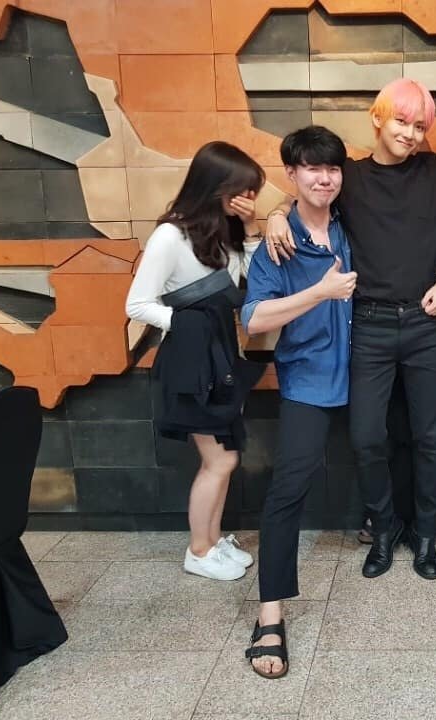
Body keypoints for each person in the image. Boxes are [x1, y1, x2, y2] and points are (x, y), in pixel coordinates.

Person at [265, 79, 436, 581]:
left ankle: (426, 535)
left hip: (427, 324)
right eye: (401, 121)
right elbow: (305, 192)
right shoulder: (349, 176)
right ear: (378, 118)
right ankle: (384, 527)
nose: (410, 134)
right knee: (367, 436)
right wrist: (275, 214)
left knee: (431, 437)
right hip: (368, 324)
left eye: (419, 125)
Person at [240, 126, 356, 679]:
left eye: (332, 168)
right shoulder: (279, 244)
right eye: (312, 168)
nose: (324, 178)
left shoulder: (352, 221)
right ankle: (270, 613)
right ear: (292, 173)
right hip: (309, 378)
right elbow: (254, 319)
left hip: (369, 371)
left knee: (396, 450)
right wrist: (318, 292)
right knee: (288, 491)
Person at [125, 141, 265, 582]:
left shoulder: (222, 230)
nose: (248, 198)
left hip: (220, 355)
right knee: (220, 460)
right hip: (192, 361)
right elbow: (137, 304)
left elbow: (246, 281)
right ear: (215, 186)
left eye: (253, 192)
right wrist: (186, 324)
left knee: (225, 457)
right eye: (242, 190)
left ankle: (212, 540)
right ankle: (199, 550)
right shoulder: (170, 235)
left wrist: (249, 226)